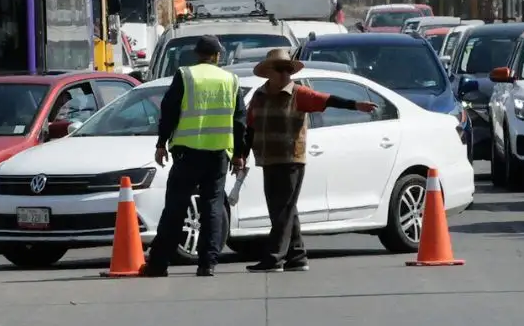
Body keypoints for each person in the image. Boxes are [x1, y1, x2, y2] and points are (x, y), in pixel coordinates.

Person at [240, 48, 377, 273]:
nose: (285, 74)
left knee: (281, 209)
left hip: (291, 159)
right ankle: (297, 257)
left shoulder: (298, 93)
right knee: (285, 209)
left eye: (288, 70)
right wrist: (242, 154)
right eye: (280, 69)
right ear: (268, 73)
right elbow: (251, 127)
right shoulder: (259, 96)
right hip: (267, 159)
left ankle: (274, 258)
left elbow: (327, 100)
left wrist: (355, 105)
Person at [141, 35, 247, 277]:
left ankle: (159, 264)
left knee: (175, 207)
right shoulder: (230, 80)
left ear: (197, 54)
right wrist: (239, 153)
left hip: (187, 152)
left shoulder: (186, 75)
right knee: (212, 207)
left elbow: (169, 110)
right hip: (219, 152)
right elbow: (239, 119)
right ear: (218, 56)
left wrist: (161, 143)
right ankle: (207, 263)